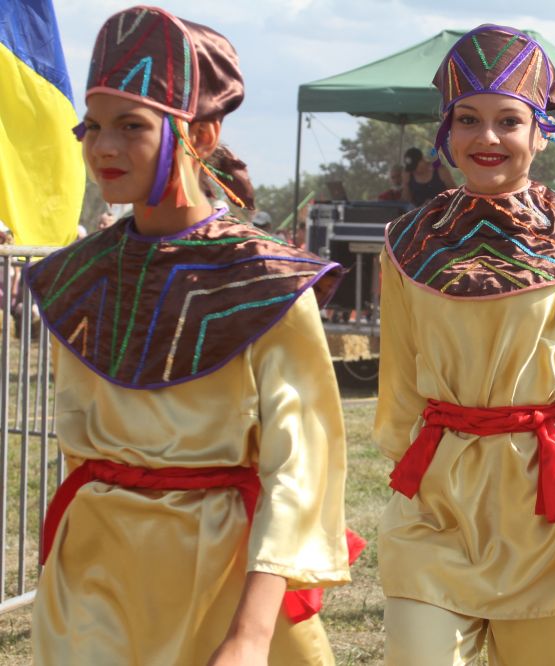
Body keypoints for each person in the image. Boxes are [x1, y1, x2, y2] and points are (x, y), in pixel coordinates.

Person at [26, 7, 363, 664]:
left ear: (200, 134)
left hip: (221, 575)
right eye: (92, 126)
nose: (103, 147)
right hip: (91, 581)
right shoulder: (75, 278)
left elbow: (300, 470)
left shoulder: (267, 281)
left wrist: (251, 634)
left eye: (131, 125)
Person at [375, 25, 555, 665]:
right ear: (446, 132)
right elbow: (399, 387)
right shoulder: (407, 244)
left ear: (540, 133)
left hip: (548, 511)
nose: (487, 138)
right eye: (468, 120)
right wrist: (409, 477)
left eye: (509, 121)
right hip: (437, 506)